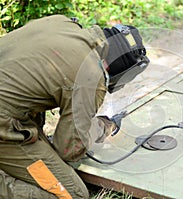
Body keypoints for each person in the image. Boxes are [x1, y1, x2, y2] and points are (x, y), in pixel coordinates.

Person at [0, 15, 149, 198]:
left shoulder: (61, 23)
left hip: (8, 106)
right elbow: (68, 149)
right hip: (3, 123)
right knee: (73, 194)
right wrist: (103, 126)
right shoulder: (91, 76)